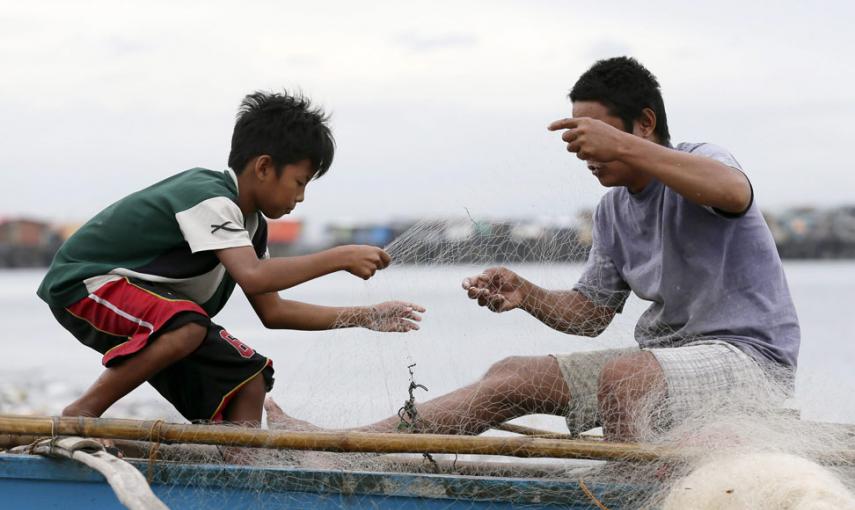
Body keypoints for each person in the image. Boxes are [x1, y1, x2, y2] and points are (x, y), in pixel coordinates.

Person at [267, 57, 800, 441]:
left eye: (595, 134)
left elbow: (734, 192)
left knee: (625, 379)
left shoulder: (702, 160)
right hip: (661, 366)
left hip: (750, 362)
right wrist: (526, 293)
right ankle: (352, 444)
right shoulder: (613, 209)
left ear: (645, 123)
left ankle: (626, 491)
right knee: (511, 374)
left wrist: (623, 145)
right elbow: (591, 315)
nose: (586, 152)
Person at [37, 91, 425, 436]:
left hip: (163, 316)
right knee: (187, 327)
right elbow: (254, 277)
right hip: (86, 284)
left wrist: (365, 315)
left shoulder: (251, 228)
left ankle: (239, 475)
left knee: (248, 379)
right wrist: (340, 256)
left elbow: (273, 311)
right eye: (299, 182)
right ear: (263, 167)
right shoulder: (210, 197)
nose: (301, 198)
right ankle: (81, 413)